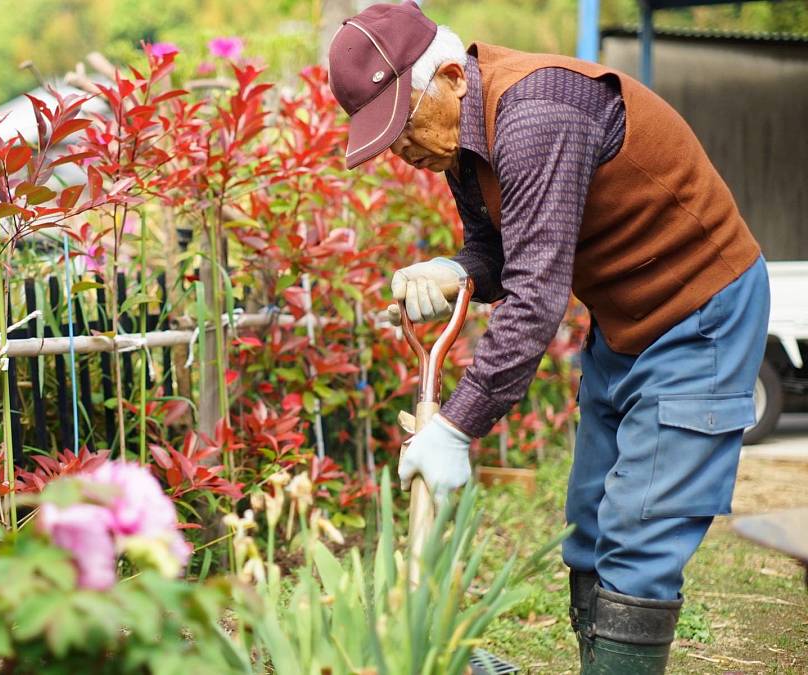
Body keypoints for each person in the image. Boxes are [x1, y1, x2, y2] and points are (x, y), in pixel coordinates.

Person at [326, 2, 769, 673]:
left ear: (451, 76)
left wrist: (454, 427)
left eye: (402, 126)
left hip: (699, 311)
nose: (401, 150)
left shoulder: (537, 113)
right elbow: (502, 251)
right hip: (625, 324)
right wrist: (456, 268)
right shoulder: (463, 136)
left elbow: (536, 296)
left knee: (638, 535)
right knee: (588, 529)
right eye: (385, 138)